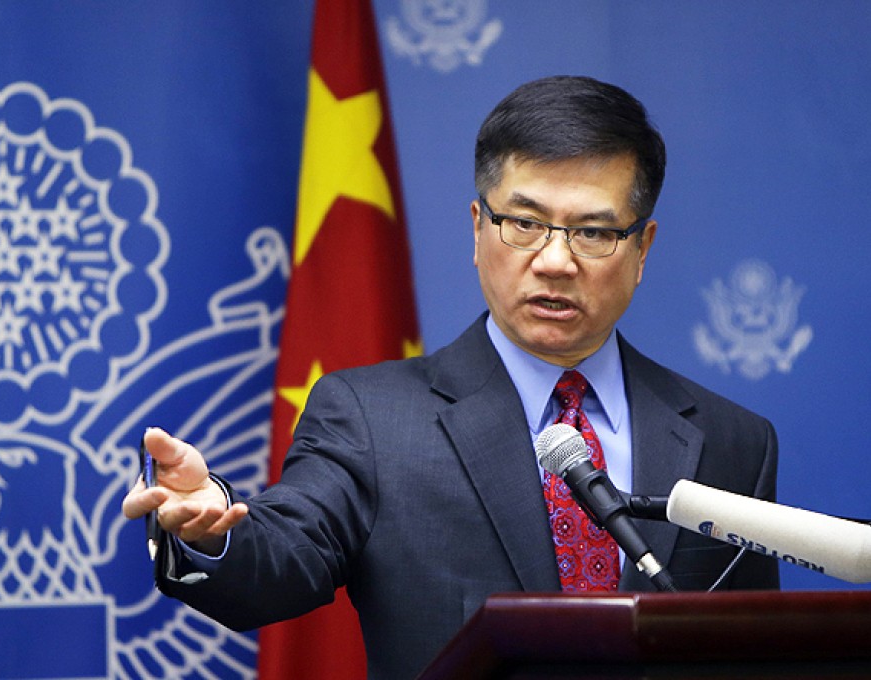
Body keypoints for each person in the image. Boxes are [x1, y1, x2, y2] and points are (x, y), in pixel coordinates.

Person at [123, 75, 779, 679]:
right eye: (525, 223)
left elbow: (754, 655)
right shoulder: (371, 419)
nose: (555, 261)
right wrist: (214, 530)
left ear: (641, 249)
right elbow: (283, 557)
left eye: (594, 232)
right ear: (477, 229)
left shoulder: (733, 442)